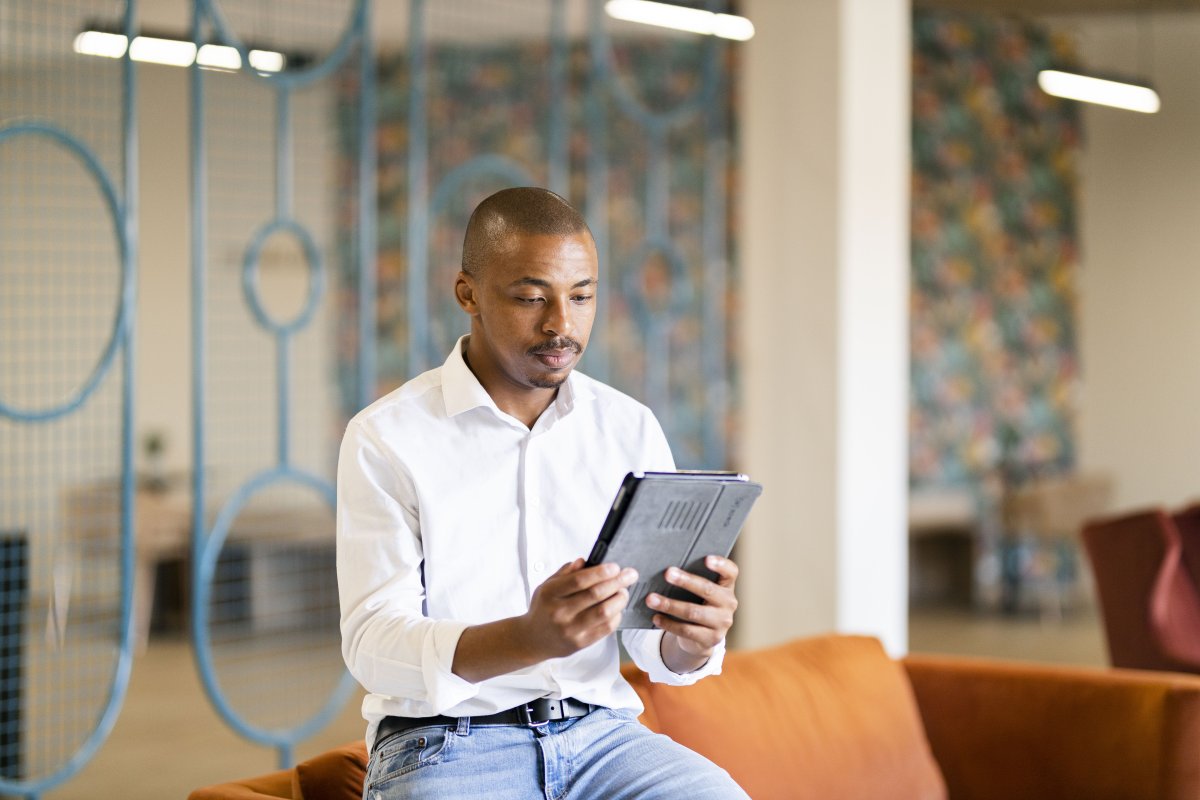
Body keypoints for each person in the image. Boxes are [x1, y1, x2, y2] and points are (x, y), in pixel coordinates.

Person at [337, 187, 749, 799]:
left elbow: (650, 640)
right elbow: (373, 645)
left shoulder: (628, 427)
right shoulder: (387, 437)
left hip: (603, 740)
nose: (562, 324)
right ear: (467, 293)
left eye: (581, 296)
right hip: (445, 746)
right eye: (532, 297)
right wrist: (528, 637)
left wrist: (691, 638)